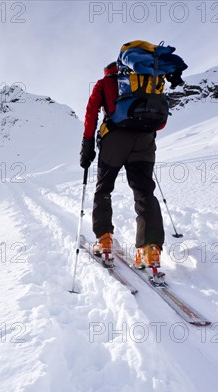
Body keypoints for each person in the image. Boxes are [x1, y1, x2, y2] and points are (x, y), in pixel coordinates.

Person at [80, 61, 165, 272]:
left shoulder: (105, 82)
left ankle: (104, 239)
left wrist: (87, 144)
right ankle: (151, 248)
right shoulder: (148, 81)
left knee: (104, 188)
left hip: (114, 139)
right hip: (145, 140)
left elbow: (91, 112)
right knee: (145, 192)